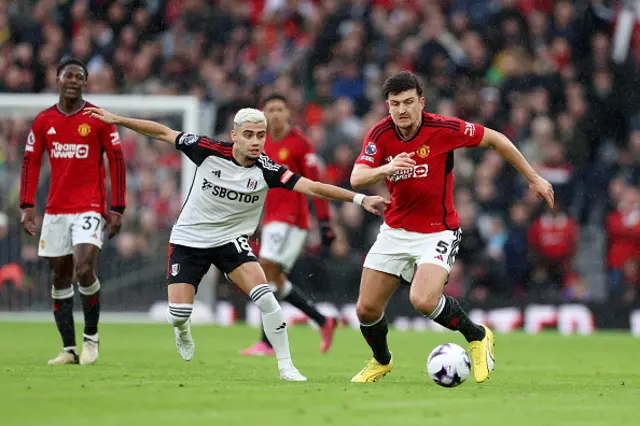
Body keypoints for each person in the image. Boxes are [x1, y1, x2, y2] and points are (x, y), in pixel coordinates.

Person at [84, 106, 389, 381]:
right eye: (249, 135)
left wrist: (360, 198)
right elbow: (163, 132)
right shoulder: (207, 149)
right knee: (178, 313)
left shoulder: (268, 169)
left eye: (261, 135)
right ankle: (182, 330)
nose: (256, 141)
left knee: (267, 298)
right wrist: (118, 119)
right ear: (234, 136)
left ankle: (286, 366)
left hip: (231, 241)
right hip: (189, 240)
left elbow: (312, 187)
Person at [349, 71, 554, 383]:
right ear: (387, 106)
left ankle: (477, 336)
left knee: (423, 300)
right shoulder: (380, 134)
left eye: (407, 102)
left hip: (437, 230)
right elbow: (356, 177)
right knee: (365, 309)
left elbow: (495, 139)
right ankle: (382, 361)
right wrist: (387, 167)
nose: (401, 110)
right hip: (395, 230)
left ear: (421, 102)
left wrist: (533, 177)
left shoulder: (443, 128)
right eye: (394, 104)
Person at [19, 57, 127, 365]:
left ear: (85, 83)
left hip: (90, 206)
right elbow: (31, 162)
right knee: (60, 276)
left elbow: (117, 161)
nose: (74, 81)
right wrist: (27, 205)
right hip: (55, 210)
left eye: (80, 77)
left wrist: (117, 207)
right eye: (68, 76)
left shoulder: (97, 118)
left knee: (83, 268)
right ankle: (68, 349)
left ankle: (91, 338)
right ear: (57, 80)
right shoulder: (43, 121)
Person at [241, 94, 338, 356]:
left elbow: (316, 184)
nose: (274, 114)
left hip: (291, 221)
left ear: (287, 113)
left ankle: (267, 342)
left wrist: (325, 222)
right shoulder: (260, 145)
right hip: (271, 221)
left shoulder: (300, 143)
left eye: (279, 109)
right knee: (277, 281)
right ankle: (323, 320)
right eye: (269, 109)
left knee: (264, 275)